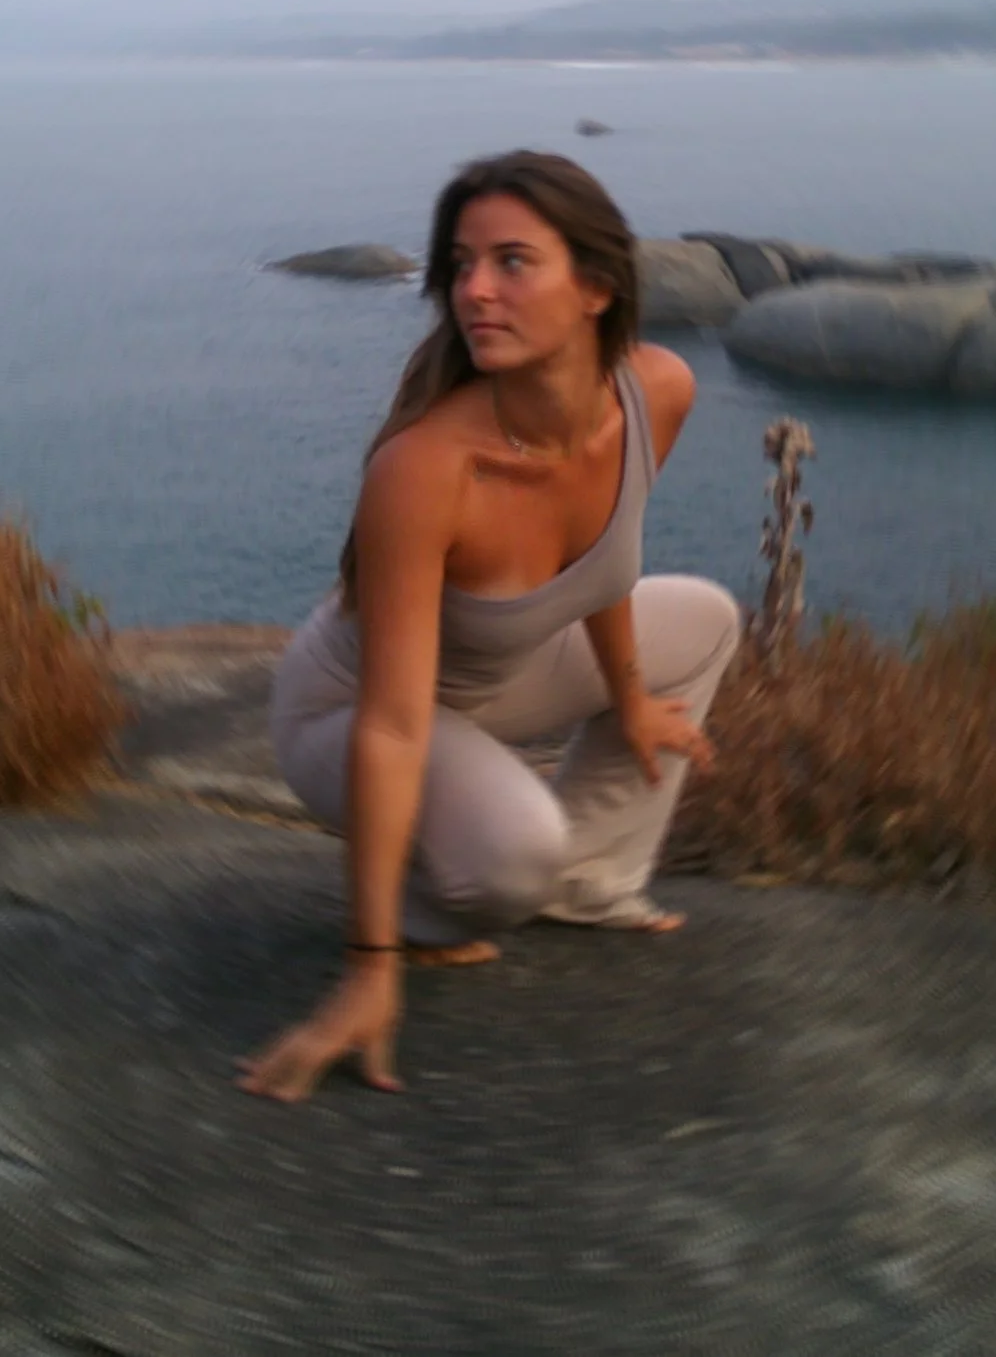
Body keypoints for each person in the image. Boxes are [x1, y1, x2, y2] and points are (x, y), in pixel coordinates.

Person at [236, 151, 743, 1104]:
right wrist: (369, 964)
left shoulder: (658, 391)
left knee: (709, 619)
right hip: (350, 711)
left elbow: (605, 564)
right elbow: (393, 726)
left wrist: (632, 698)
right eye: (461, 264)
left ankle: (590, 881)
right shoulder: (427, 468)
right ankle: (430, 906)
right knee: (510, 858)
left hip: (496, 676)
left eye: (512, 261)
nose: (473, 290)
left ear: (596, 287)